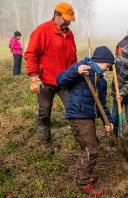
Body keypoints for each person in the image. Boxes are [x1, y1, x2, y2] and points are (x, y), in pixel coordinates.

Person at [56, 46, 114, 196]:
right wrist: (76, 71)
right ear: (101, 61)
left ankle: (83, 176)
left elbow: (102, 104)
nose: (107, 70)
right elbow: (60, 81)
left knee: (89, 147)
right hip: (78, 115)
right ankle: (83, 182)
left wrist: (109, 121)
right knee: (91, 149)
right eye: (107, 66)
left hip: (88, 116)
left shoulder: (101, 82)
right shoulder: (82, 67)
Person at [24, 2, 77, 154]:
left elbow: (73, 56)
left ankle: (81, 137)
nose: (68, 22)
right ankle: (45, 143)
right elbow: (31, 54)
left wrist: (74, 72)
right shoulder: (42, 31)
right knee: (44, 112)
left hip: (65, 80)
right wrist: (34, 75)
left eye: (70, 19)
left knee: (73, 109)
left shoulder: (69, 34)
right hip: (46, 82)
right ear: (56, 16)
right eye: (66, 19)